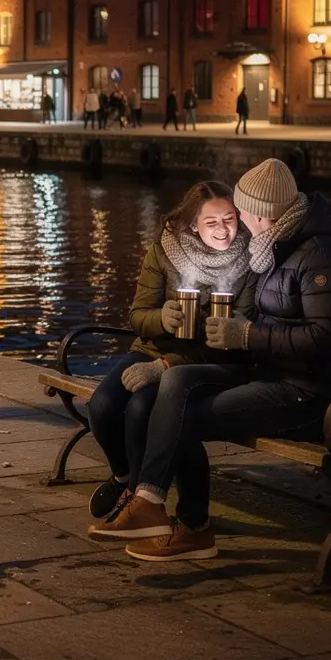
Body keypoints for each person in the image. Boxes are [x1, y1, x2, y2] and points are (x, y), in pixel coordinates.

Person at [93, 159, 331, 562]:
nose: (232, 223)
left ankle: (192, 526)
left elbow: (330, 339)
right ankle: (150, 501)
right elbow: (143, 312)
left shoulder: (321, 256)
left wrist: (247, 335)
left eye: (238, 212)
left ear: (258, 212)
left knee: (176, 411)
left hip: (310, 394)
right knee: (174, 388)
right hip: (273, 375)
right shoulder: (278, 248)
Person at [85, 181, 255, 524]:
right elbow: (138, 315)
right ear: (193, 224)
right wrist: (162, 318)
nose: (224, 230)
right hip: (151, 349)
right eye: (212, 223)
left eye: (230, 219)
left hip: (201, 364)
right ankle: (123, 477)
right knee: (102, 406)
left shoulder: (251, 260)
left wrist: (169, 364)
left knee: (139, 409)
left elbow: (240, 335)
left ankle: (138, 501)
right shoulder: (165, 250)